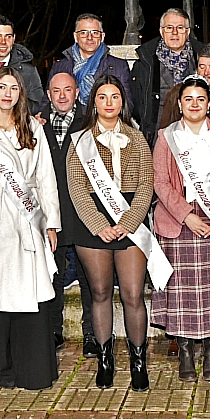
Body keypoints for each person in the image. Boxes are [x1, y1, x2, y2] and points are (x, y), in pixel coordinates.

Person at [0, 67, 61, 390]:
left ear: (21, 93)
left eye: (14, 88)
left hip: (30, 220)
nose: (8, 93)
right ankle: (2, 367)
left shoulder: (33, 128)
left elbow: (46, 178)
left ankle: (31, 366)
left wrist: (51, 224)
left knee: (31, 295)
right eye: (2, 87)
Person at [66, 74, 160, 390]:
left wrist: (129, 222)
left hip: (130, 219)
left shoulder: (137, 138)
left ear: (123, 103)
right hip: (92, 222)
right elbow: (77, 187)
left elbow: (146, 184)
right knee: (101, 293)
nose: (109, 103)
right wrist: (99, 225)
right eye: (102, 97)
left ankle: (138, 361)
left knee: (133, 294)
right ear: (93, 102)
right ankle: (105, 360)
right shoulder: (80, 141)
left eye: (115, 97)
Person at [152, 76, 210, 381]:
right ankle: (186, 354)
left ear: (209, 104)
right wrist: (186, 215)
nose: (194, 104)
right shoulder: (166, 137)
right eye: (188, 99)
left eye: (201, 99)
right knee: (182, 292)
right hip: (178, 221)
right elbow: (160, 182)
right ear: (180, 104)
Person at [42, 71, 97, 355]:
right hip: (51, 212)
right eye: (56, 90)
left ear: (77, 92)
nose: (62, 96)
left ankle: (92, 334)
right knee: (52, 274)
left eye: (68, 90)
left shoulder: (91, 121)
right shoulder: (36, 124)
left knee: (90, 277)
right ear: (48, 94)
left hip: (83, 210)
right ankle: (53, 331)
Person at [131, 8, 203, 148]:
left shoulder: (202, 59)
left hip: (197, 138)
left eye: (180, 28)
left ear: (188, 32)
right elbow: (136, 101)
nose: (174, 32)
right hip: (157, 139)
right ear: (161, 31)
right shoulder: (145, 63)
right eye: (169, 27)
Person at [42, 13, 133, 114]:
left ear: (102, 36)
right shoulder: (59, 67)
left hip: (105, 122)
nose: (90, 37)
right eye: (84, 32)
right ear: (76, 37)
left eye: (95, 32)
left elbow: (128, 104)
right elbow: (48, 100)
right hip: (69, 122)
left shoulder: (119, 66)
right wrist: (41, 116)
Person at [0, 15, 43, 114]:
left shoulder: (28, 71)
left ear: (14, 38)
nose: (3, 42)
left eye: (8, 36)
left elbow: (38, 105)